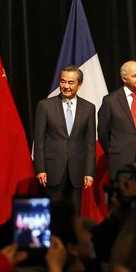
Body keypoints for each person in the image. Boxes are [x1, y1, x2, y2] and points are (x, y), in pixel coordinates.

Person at [33, 65, 96, 213]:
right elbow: (39, 141)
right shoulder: (45, 106)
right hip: (52, 170)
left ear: (79, 84)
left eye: (70, 82)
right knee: (53, 213)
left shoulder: (89, 108)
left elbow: (90, 143)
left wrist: (89, 171)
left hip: (77, 170)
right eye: (62, 81)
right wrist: (40, 169)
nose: (65, 86)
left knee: (74, 214)